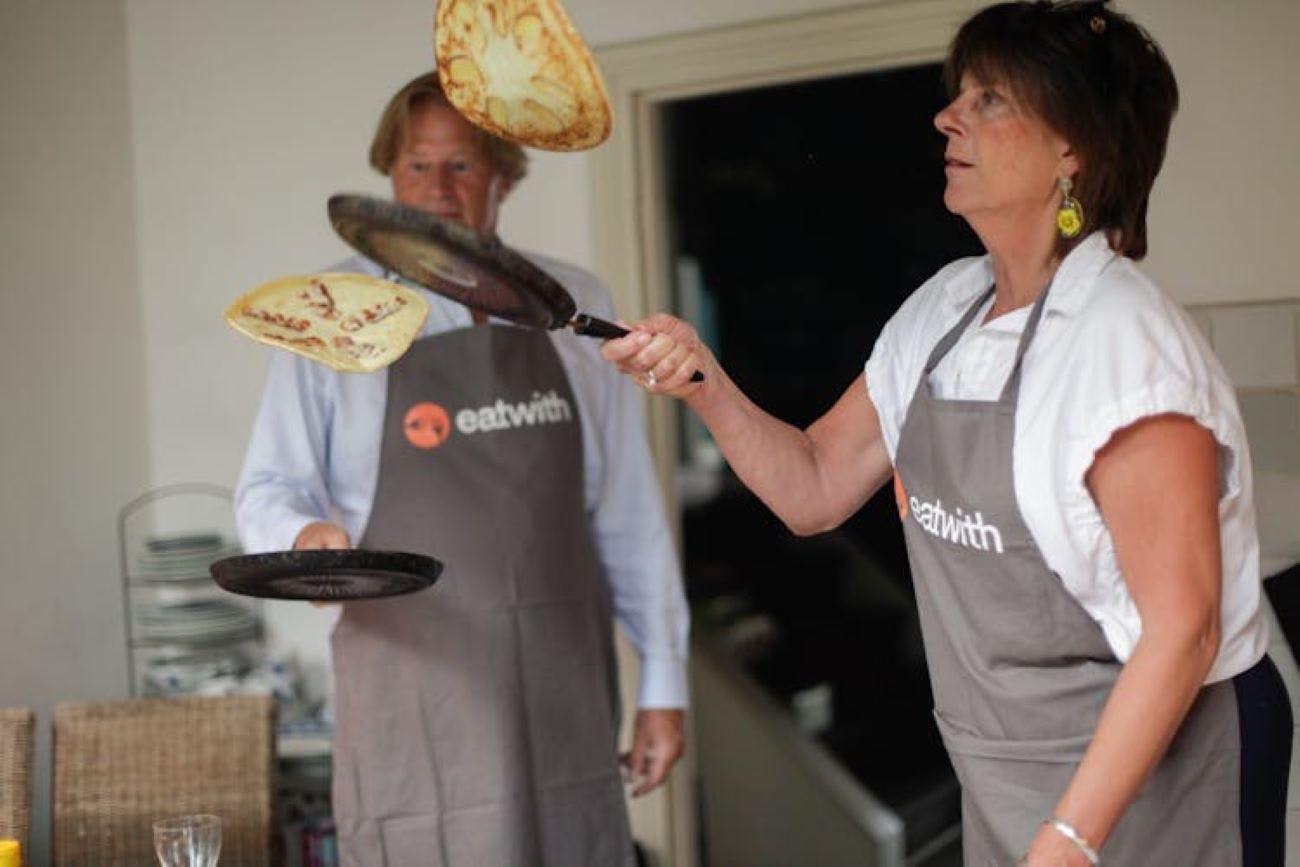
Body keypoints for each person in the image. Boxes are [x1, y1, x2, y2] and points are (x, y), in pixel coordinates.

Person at [600, 2, 1292, 864]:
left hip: (1158, 750)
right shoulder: (946, 307)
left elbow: (1181, 630)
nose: (946, 116)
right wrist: (701, 378)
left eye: (991, 99)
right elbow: (813, 487)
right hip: (1003, 752)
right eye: (960, 94)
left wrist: (1068, 843)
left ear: (1073, 149)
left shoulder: (1125, 348)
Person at [235, 71, 689, 867]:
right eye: (418, 166)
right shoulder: (331, 314)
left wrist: (663, 682)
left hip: (561, 683)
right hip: (415, 689)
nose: (437, 190)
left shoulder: (575, 303)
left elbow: (627, 511)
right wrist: (305, 536)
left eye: (462, 167)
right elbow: (268, 487)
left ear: (504, 176)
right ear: (387, 174)